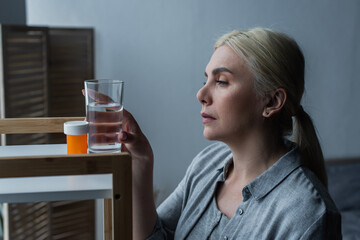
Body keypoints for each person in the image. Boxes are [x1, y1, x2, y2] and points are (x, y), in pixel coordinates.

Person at [118, 28, 342, 239]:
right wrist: (141, 162)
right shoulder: (205, 164)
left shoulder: (309, 214)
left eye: (221, 82)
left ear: (272, 101)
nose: (201, 94)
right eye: (205, 80)